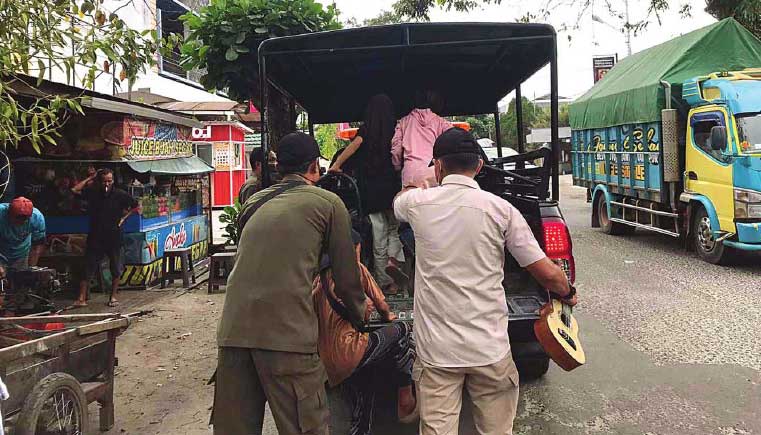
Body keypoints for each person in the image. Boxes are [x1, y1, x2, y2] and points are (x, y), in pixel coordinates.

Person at [394, 128, 578, 435]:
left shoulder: (418, 204)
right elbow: (544, 271)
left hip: (438, 353)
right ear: (479, 166)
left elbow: (399, 201)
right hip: (489, 349)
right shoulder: (501, 209)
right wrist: (567, 291)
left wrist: (417, 185)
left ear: (438, 166)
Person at [213, 132, 366, 435]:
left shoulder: (254, 202)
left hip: (233, 333)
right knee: (306, 426)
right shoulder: (328, 202)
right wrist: (360, 316)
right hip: (287, 335)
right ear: (314, 167)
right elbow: (347, 279)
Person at [312, 230, 417, 435]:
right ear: (355, 248)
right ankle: (406, 398)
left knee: (364, 390)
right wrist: (390, 318)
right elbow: (381, 309)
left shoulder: (319, 277)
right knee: (402, 331)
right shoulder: (355, 270)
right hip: (349, 351)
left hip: (326, 361)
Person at [330, 94, 406, 294]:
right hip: (393, 190)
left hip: (370, 193)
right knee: (394, 232)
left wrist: (336, 165)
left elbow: (352, 148)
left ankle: (383, 281)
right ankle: (395, 267)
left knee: (378, 235)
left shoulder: (366, 131)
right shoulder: (396, 130)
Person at [71, 169, 138, 307]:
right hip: (96, 236)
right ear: (99, 182)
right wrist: (90, 177)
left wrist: (123, 219)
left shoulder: (120, 194)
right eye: (104, 181)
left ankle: (113, 296)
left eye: (110, 180)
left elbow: (135, 206)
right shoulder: (93, 193)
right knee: (88, 267)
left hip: (114, 236)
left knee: (116, 267)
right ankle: (81, 298)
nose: (107, 184)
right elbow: (74, 190)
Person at [390, 89, 452, 188]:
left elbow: (396, 148)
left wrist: (397, 167)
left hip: (410, 173)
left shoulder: (403, 122)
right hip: (433, 171)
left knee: (409, 203)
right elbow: (455, 141)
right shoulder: (442, 123)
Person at [0, 197, 46, 278]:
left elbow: (36, 247)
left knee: (21, 282)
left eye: (24, 219)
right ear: (8, 213)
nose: (20, 221)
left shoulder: (37, 218)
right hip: (1, 251)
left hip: (21, 254)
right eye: (17, 218)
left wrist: (31, 268)